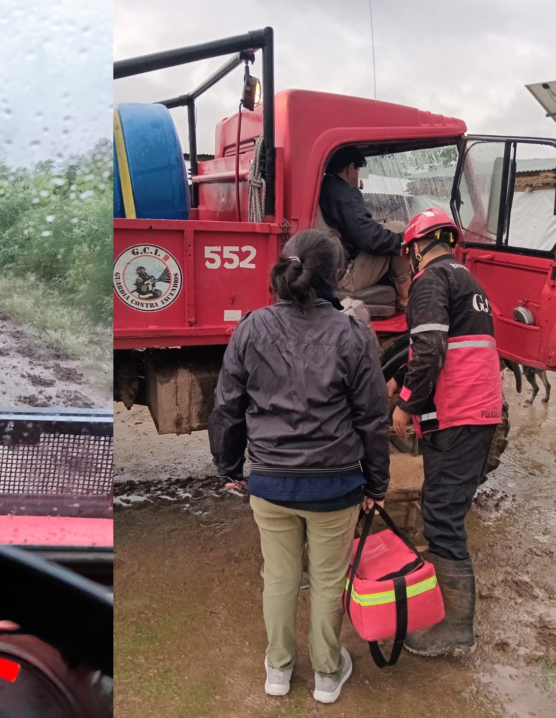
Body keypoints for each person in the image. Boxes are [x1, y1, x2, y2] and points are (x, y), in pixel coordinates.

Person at [209, 229, 390, 704]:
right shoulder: (353, 333)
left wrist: (229, 469)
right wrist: (377, 483)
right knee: (329, 581)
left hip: (270, 485)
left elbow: (227, 407)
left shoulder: (250, 328)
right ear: (335, 274)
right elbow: (372, 417)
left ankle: (279, 670)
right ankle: (328, 675)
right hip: (335, 488)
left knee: (280, 578)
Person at [390, 207, 504, 657]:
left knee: (441, 517)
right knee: (444, 509)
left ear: (416, 248)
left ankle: (453, 627)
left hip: (459, 414)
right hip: (476, 412)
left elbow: (432, 346)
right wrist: (402, 375)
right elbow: (440, 345)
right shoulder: (468, 282)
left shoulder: (429, 281)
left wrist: (404, 406)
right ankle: (447, 618)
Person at [319, 146, 411, 309]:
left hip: (332, 271)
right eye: (361, 174)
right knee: (398, 230)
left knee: (392, 232)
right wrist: (409, 240)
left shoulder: (327, 187)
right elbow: (369, 237)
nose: (361, 184)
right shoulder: (343, 192)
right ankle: (406, 297)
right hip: (344, 279)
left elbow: (357, 230)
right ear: (352, 168)